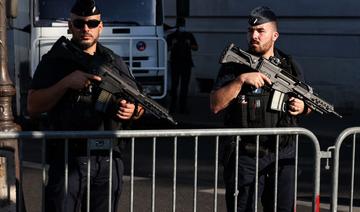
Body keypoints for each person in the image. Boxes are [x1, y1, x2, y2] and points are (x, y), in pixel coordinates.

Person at [27, 0, 144, 211]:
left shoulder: (112, 61)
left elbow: (138, 99)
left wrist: (133, 111)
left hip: (108, 159)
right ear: (69, 26)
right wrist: (66, 83)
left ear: (101, 26)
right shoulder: (55, 60)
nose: (85, 29)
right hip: (68, 157)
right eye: (79, 24)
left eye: (91, 23)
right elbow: (33, 106)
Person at [210, 6, 311, 212]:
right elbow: (215, 104)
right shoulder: (235, 64)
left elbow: (308, 104)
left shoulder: (290, 66)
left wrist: (302, 108)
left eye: (260, 31)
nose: (253, 36)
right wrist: (240, 81)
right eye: (250, 31)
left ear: (275, 35)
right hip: (245, 153)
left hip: (283, 154)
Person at [166, 17, 198, 113]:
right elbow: (166, 48)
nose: (182, 27)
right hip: (175, 63)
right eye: (180, 25)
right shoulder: (172, 36)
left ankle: (182, 107)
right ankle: (173, 107)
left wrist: (190, 44)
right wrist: (172, 44)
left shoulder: (189, 35)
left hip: (186, 64)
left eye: (183, 25)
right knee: (174, 86)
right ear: (177, 26)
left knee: (184, 86)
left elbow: (196, 47)